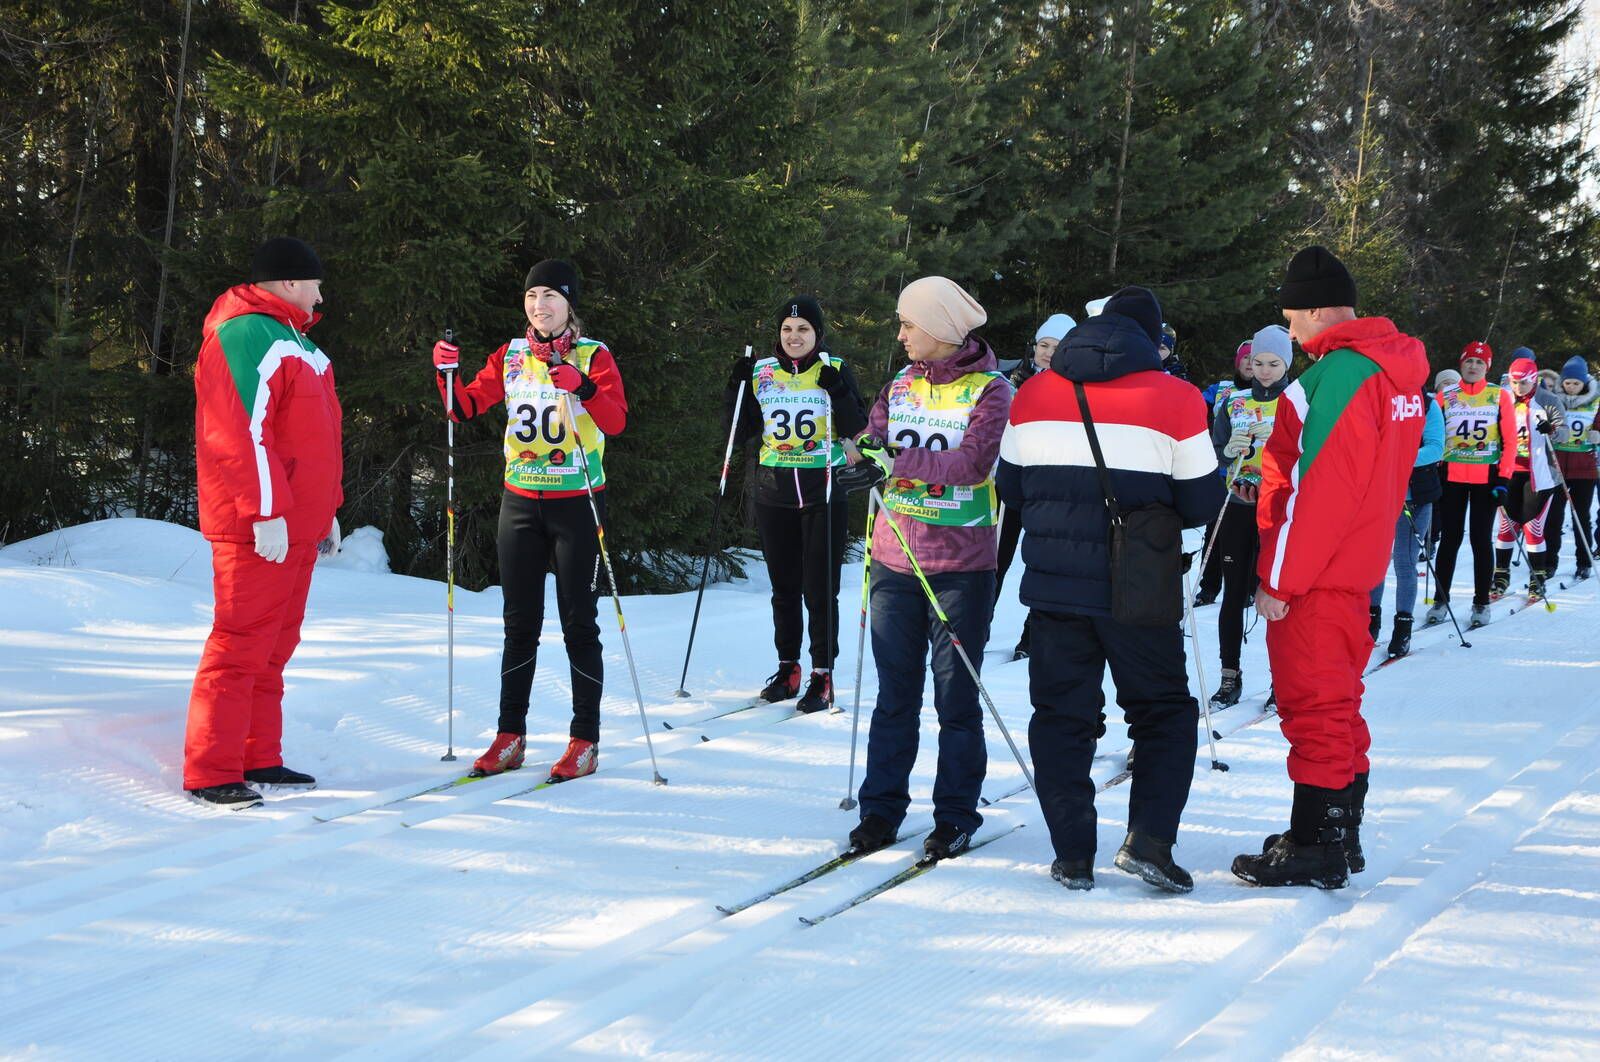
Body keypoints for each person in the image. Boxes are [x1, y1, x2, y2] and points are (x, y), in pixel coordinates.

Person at [997, 286, 1225, 893]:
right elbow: (1203, 502)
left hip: (1052, 586)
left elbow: (1011, 490)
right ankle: (1149, 841)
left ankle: (1073, 853)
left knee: (1061, 717)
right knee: (1163, 713)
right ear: (1153, 340)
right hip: (1139, 588)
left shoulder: (1033, 393)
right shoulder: (1176, 398)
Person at [1232, 246, 1426, 890]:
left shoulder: (1339, 377)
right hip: (1354, 569)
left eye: (1292, 318)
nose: (1289, 333)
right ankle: (1339, 830)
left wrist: (1279, 581)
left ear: (1318, 309)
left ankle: (1316, 844)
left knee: (1312, 705)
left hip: (1316, 574)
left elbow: (1317, 492)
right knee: (1339, 703)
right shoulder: (1392, 373)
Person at [431, 260, 627, 782]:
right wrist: (445, 373)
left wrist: (584, 388)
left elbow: (616, 420)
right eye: (533, 295)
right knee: (519, 624)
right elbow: (464, 409)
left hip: (577, 501)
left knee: (578, 623)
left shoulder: (594, 355)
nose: (540, 305)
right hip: (519, 502)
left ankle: (585, 738)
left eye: (551, 296)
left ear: (569, 305)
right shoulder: (511, 355)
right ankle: (510, 734)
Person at [842, 276, 1012, 864]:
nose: (901, 333)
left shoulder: (991, 390)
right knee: (896, 695)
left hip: (961, 565)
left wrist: (894, 458)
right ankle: (880, 810)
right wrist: (859, 455)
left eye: (908, 323)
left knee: (955, 697)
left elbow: (972, 463)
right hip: (894, 558)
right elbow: (871, 439)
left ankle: (956, 815)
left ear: (940, 328)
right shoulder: (901, 383)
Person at [183, 237, 343, 808]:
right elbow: (239, 432)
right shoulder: (246, 333)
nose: (322, 292)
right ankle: (212, 769)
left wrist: (328, 511)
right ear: (292, 282)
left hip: (297, 524)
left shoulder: (298, 343)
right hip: (258, 525)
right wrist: (265, 511)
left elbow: (315, 439)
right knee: (240, 645)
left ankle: (258, 756)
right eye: (316, 282)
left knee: (275, 647)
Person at [724, 296, 868, 710]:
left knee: (820, 589)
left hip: (823, 490)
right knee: (783, 589)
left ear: (817, 335)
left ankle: (823, 672)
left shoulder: (834, 369)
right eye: (787, 330)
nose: (794, 336)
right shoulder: (763, 373)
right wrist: (735, 387)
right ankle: (789, 667)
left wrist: (838, 390)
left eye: (803, 329)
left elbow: (858, 427)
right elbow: (738, 429)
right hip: (775, 492)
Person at [1207, 325, 1293, 708]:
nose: (1264, 370)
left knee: (1277, 593)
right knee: (1232, 592)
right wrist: (1228, 452)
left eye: (1273, 363)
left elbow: (1311, 454)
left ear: (1286, 363)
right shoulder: (1233, 401)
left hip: (1279, 509)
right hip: (1238, 505)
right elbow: (1216, 450)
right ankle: (1230, 675)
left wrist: (1276, 443)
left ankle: (1282, 678)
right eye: (1257, 362)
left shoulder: (1296, 400)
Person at [997, 312, 1076, 661]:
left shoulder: (1075, 385)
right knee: (995, 558)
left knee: (1042, 560)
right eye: (1043, 345)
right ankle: (977, 624)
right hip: (1011, 481)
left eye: (1056, 347)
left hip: (1049, 486)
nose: (1047, 353)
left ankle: (1032, 633)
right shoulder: (1013, 380)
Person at [1428, 342, 1513, 630]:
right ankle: (1441, 599)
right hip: (1451, 477)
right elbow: (1432, 434)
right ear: (1461, 364)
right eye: (1469, 362)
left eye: (1480, 362)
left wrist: (1504, 479)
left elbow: (1510, 442)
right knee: (1449, 539)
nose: (1474, 366)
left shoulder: (1499, 396)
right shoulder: (1446, 395)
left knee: (1480, 540)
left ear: (1487, 367)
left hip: (1485, 479)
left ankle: (1481, 601)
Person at [1369, 383, 1445, 657]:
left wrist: (1398, 458)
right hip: (1380, 492)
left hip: (1416, 494)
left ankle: (1403, 626)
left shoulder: (1427, 404)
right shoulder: (1379, 398)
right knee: (1375, 558)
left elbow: (1436, 448)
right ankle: (1370, 619)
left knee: (1404, 560)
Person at [1491, 352, 1564, 600]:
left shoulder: (1549, 400)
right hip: (1509, 473)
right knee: (1507, 526)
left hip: (1540, 476)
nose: (1518, 387)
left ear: (1534, 380)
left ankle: (1538, 577)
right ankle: (1500, 575)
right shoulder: (1503, 400)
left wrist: (1551, 430)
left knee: (1533, 528)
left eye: (1523, 382)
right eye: (1514, 382)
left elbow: (1563, 434)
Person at [1195, 341, 1257, 607]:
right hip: (1220, 470)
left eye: (1256, 359)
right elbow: (1194, 404)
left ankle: (1249, 587)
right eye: (1246, 358)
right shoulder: (1221, 389)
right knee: (1215, 530)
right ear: (1238, 361)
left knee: (1251, 533)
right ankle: (1209, 587)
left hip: (1253, 473)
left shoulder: (1267, 394)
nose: (1250, 363)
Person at [1544, 356, 1598, 581]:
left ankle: (1584, 561)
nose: (1571, 387)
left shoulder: (1595, 402)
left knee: (1581, 517)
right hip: (1557, 467)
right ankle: (1549, 563)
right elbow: (1542, 425)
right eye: (1568, 382)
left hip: (1584, 468)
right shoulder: (1554, 400)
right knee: (1553, 517)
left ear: (1584, 383)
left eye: (1576, 383)